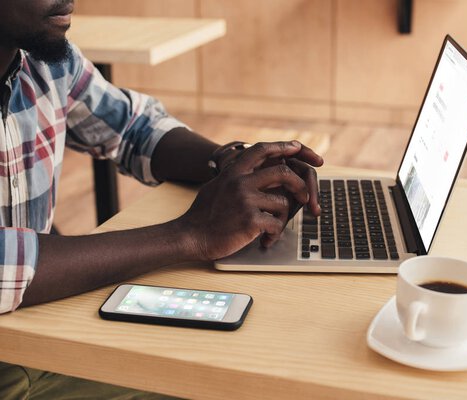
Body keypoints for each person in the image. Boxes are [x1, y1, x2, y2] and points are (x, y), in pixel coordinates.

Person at [0, 0, 323, 398]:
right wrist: (190, 235)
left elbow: (135, 127)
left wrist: (232, 163)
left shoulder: (43, 59)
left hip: (31, 332)